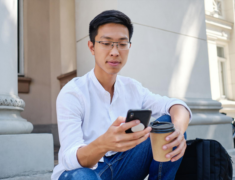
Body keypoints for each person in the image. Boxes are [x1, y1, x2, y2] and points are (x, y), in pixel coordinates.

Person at [51, 10, 192, 180]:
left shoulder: (132, 87)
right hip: (88, 171)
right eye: (106, 43)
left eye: (122, 44)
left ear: (129, 47)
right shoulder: (73, 93)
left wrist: (178, 130)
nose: (115, 52)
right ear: (92, 47)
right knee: (80, 177)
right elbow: (69, 159)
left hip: (126, 164)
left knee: (168, 126)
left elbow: (175, 105)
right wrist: (103, 144)